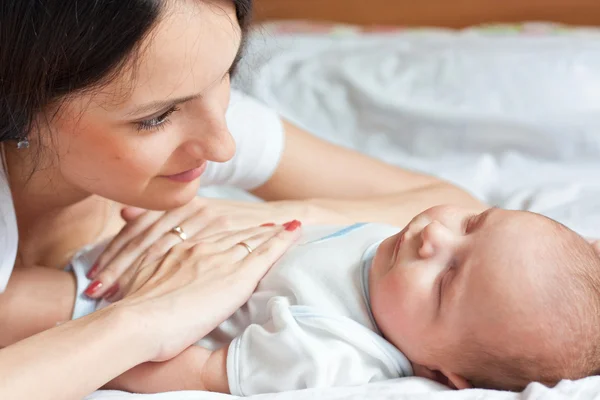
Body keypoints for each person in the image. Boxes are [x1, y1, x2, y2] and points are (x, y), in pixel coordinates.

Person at [0, 0, 484, 398]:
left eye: (226, 72)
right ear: (16, 106)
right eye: (158, 117)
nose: (222, 145)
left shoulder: (197, 109)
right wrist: (144, 319)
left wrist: (272, 219)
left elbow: (463, 208)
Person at [83, 205, 600, 395]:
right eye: (472, 223)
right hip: (159, 251)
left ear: (442, 374)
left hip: (106, 308)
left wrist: (98, 341)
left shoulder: (331, 349)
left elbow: (195, 374)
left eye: (445, 280)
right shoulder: (395, 256)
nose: (435, 240)